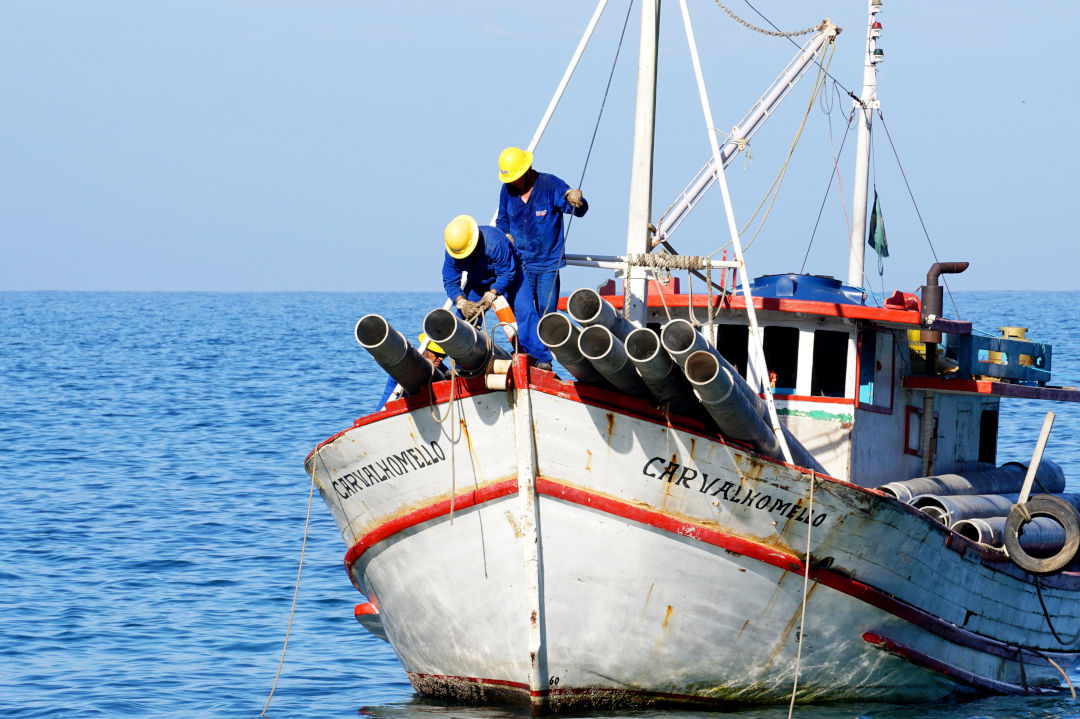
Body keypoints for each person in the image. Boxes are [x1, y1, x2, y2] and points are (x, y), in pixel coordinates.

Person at [441, 214, 553, 370]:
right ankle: (463, 363)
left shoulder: (494, 241)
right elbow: (450, 281)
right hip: (477, 281)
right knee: (463, 319)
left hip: (512, 275)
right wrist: (461, 302)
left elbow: (507, 273)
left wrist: (492, 294)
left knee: (525, 312)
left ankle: (540, 358)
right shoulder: (454, 251)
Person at [495, 146, 588, 317]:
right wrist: (505, 234)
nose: (513, 182)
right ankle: (525, 345)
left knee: (547, 316)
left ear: (526, 171)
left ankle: (546, 344)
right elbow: (502, 219)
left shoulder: (550, 185)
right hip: (520, 264)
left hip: (548, 266)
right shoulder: (507, 190)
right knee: (524, 315)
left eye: (515, 178)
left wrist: (576, 198)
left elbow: (579, 209)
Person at [375, 334, 447, 411]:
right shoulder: (406, 365)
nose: (441, 358)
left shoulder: (441, 368)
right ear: (425, 350)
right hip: (392, 409)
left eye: (444, 355)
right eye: (437, 354)